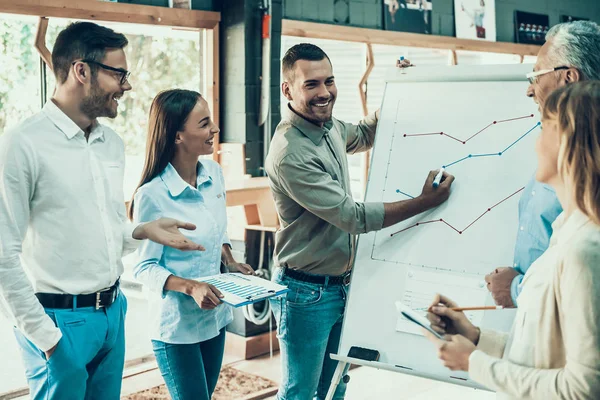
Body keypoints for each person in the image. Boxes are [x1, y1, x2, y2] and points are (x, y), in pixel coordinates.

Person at [0, 22, 203, 399]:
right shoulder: (21, 144)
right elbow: (2, 257)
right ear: (82, 71)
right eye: (118, 73)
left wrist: (142, 231)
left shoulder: (111, 143)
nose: (127, 85)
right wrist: (49, 342)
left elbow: (105, 231)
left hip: (113, 313)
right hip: (58, 323)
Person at [265, 43, 455, 400]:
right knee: (300, 392)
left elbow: (366, 134)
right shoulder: (291, 152)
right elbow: (352, 217)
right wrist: (423, 203)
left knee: (336, 382)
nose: (324, 92)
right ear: (288, 89)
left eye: (329, 81)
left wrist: (404, 86)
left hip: (341, 284)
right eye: (311, 85)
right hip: (305, 293)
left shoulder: (329, 128)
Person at [425, 80, 600, 399]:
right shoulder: (565, 228)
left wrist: (473, 362)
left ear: (569, 143)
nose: (536, 143)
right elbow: (542, 351)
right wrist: (475, 338)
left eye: (544, 128)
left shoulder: (585, 248)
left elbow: (583, 389)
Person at [129, 89, 254, 400]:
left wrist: (230, 261)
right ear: (177, 136)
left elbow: (216, 230)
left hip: (215, 318)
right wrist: (190, 287)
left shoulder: (214, 173)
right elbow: (143, 268)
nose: (215, 129)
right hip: (176, 328)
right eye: (204, 123)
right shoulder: (151, 195)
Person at [484, 20, 600, 308]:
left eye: (536, 75)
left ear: (569, 77)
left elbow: (585, 279)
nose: (530, 89)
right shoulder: (566, 147)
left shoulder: (589, 156)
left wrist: (518, 290)